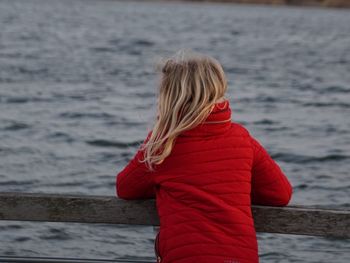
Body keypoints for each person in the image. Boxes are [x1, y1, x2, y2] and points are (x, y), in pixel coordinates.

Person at [115, 49, 293, 263]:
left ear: (170, 95)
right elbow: (281, 194)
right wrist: (233, 187)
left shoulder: (164, 143)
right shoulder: (242, 138)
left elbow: (125, 188)